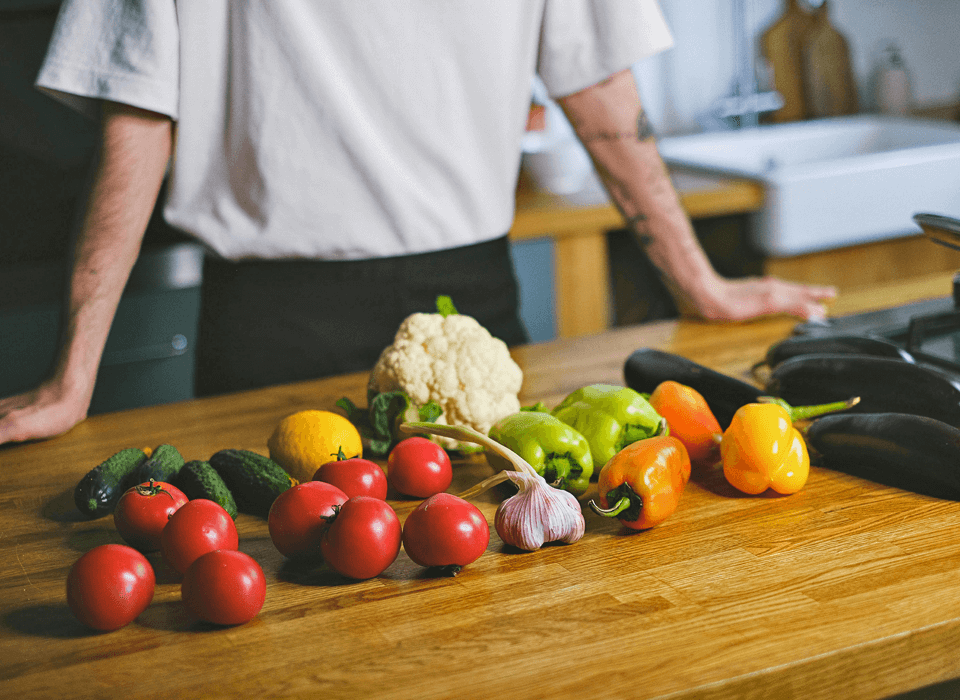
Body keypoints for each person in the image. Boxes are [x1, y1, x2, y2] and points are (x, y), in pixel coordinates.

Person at [0, 0, 834, 446]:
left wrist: (701, 285)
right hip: (270, 328)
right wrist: (72, 378)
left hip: (468, 321)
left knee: (498, 603)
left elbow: (595, 86)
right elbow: (140, 112)